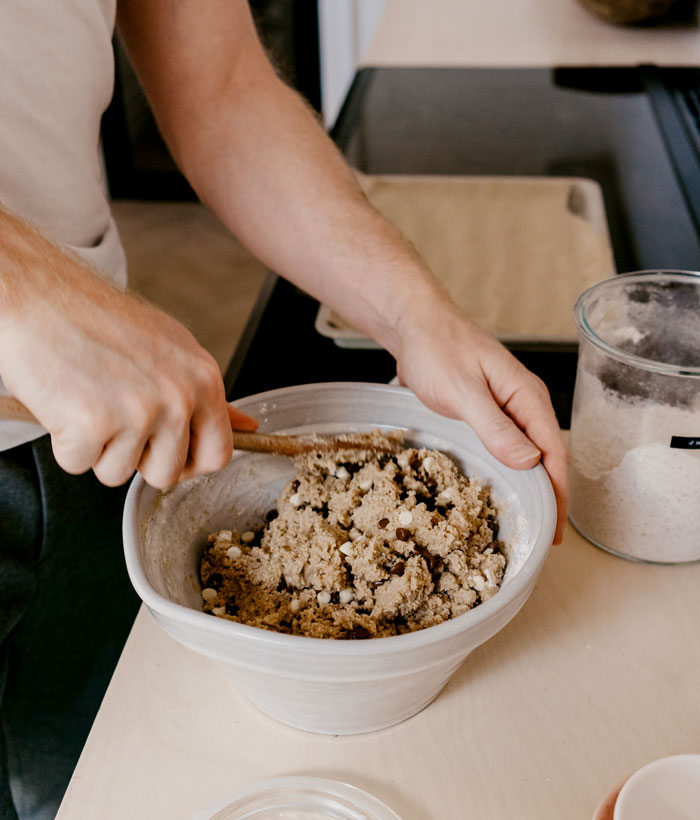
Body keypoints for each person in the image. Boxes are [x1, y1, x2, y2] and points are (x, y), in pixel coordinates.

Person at [0, 2, 568, 817]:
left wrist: (418, 321)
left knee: (90, 779)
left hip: (105, 436)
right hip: (77, 378)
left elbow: (222, 87)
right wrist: (21, 285)